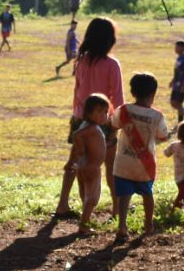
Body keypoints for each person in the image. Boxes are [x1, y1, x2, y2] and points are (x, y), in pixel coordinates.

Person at [52, 17, 124, 221]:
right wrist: (115, 126)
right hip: (104, 122)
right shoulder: (112, 64)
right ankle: (116, 209)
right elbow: (118, 99)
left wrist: (78, 117)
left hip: (80, 119)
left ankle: (64, 204)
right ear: (110, 39)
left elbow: (77, 91)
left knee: (77, 163)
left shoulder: (81, 61)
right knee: (110, 167)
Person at [110, 72, 170, 242]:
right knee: (147, 194)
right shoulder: (157, 116)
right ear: (153, 94)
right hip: (145, 165)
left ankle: (122, 227)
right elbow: (163, 136)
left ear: (132, 92)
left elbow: (114, 124)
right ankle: (148, 223)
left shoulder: (123, 109)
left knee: (123, 196)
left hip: (123, 163)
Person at [60, 93, 111, 235]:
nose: (104, 115)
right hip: (92, 167)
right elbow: (76, 135)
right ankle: (84, 225)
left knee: (84, 193)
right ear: (88, 113)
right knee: (93, 197)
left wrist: (72, 161)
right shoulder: (91, 128)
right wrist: (79, 150)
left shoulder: (88, 126)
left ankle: (85, 218)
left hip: (83, 167)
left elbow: (79, 142)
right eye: (100, 112)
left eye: (106, 112)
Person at [168, 40, 184, 123]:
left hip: (181, 85)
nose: (175, 49)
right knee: (173, 103)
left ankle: (180, 123)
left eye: (177, 47)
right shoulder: (179, 58)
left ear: (182, 48)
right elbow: (177, 71)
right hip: (176, 84)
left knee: (178, 104)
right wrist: (173, 80)